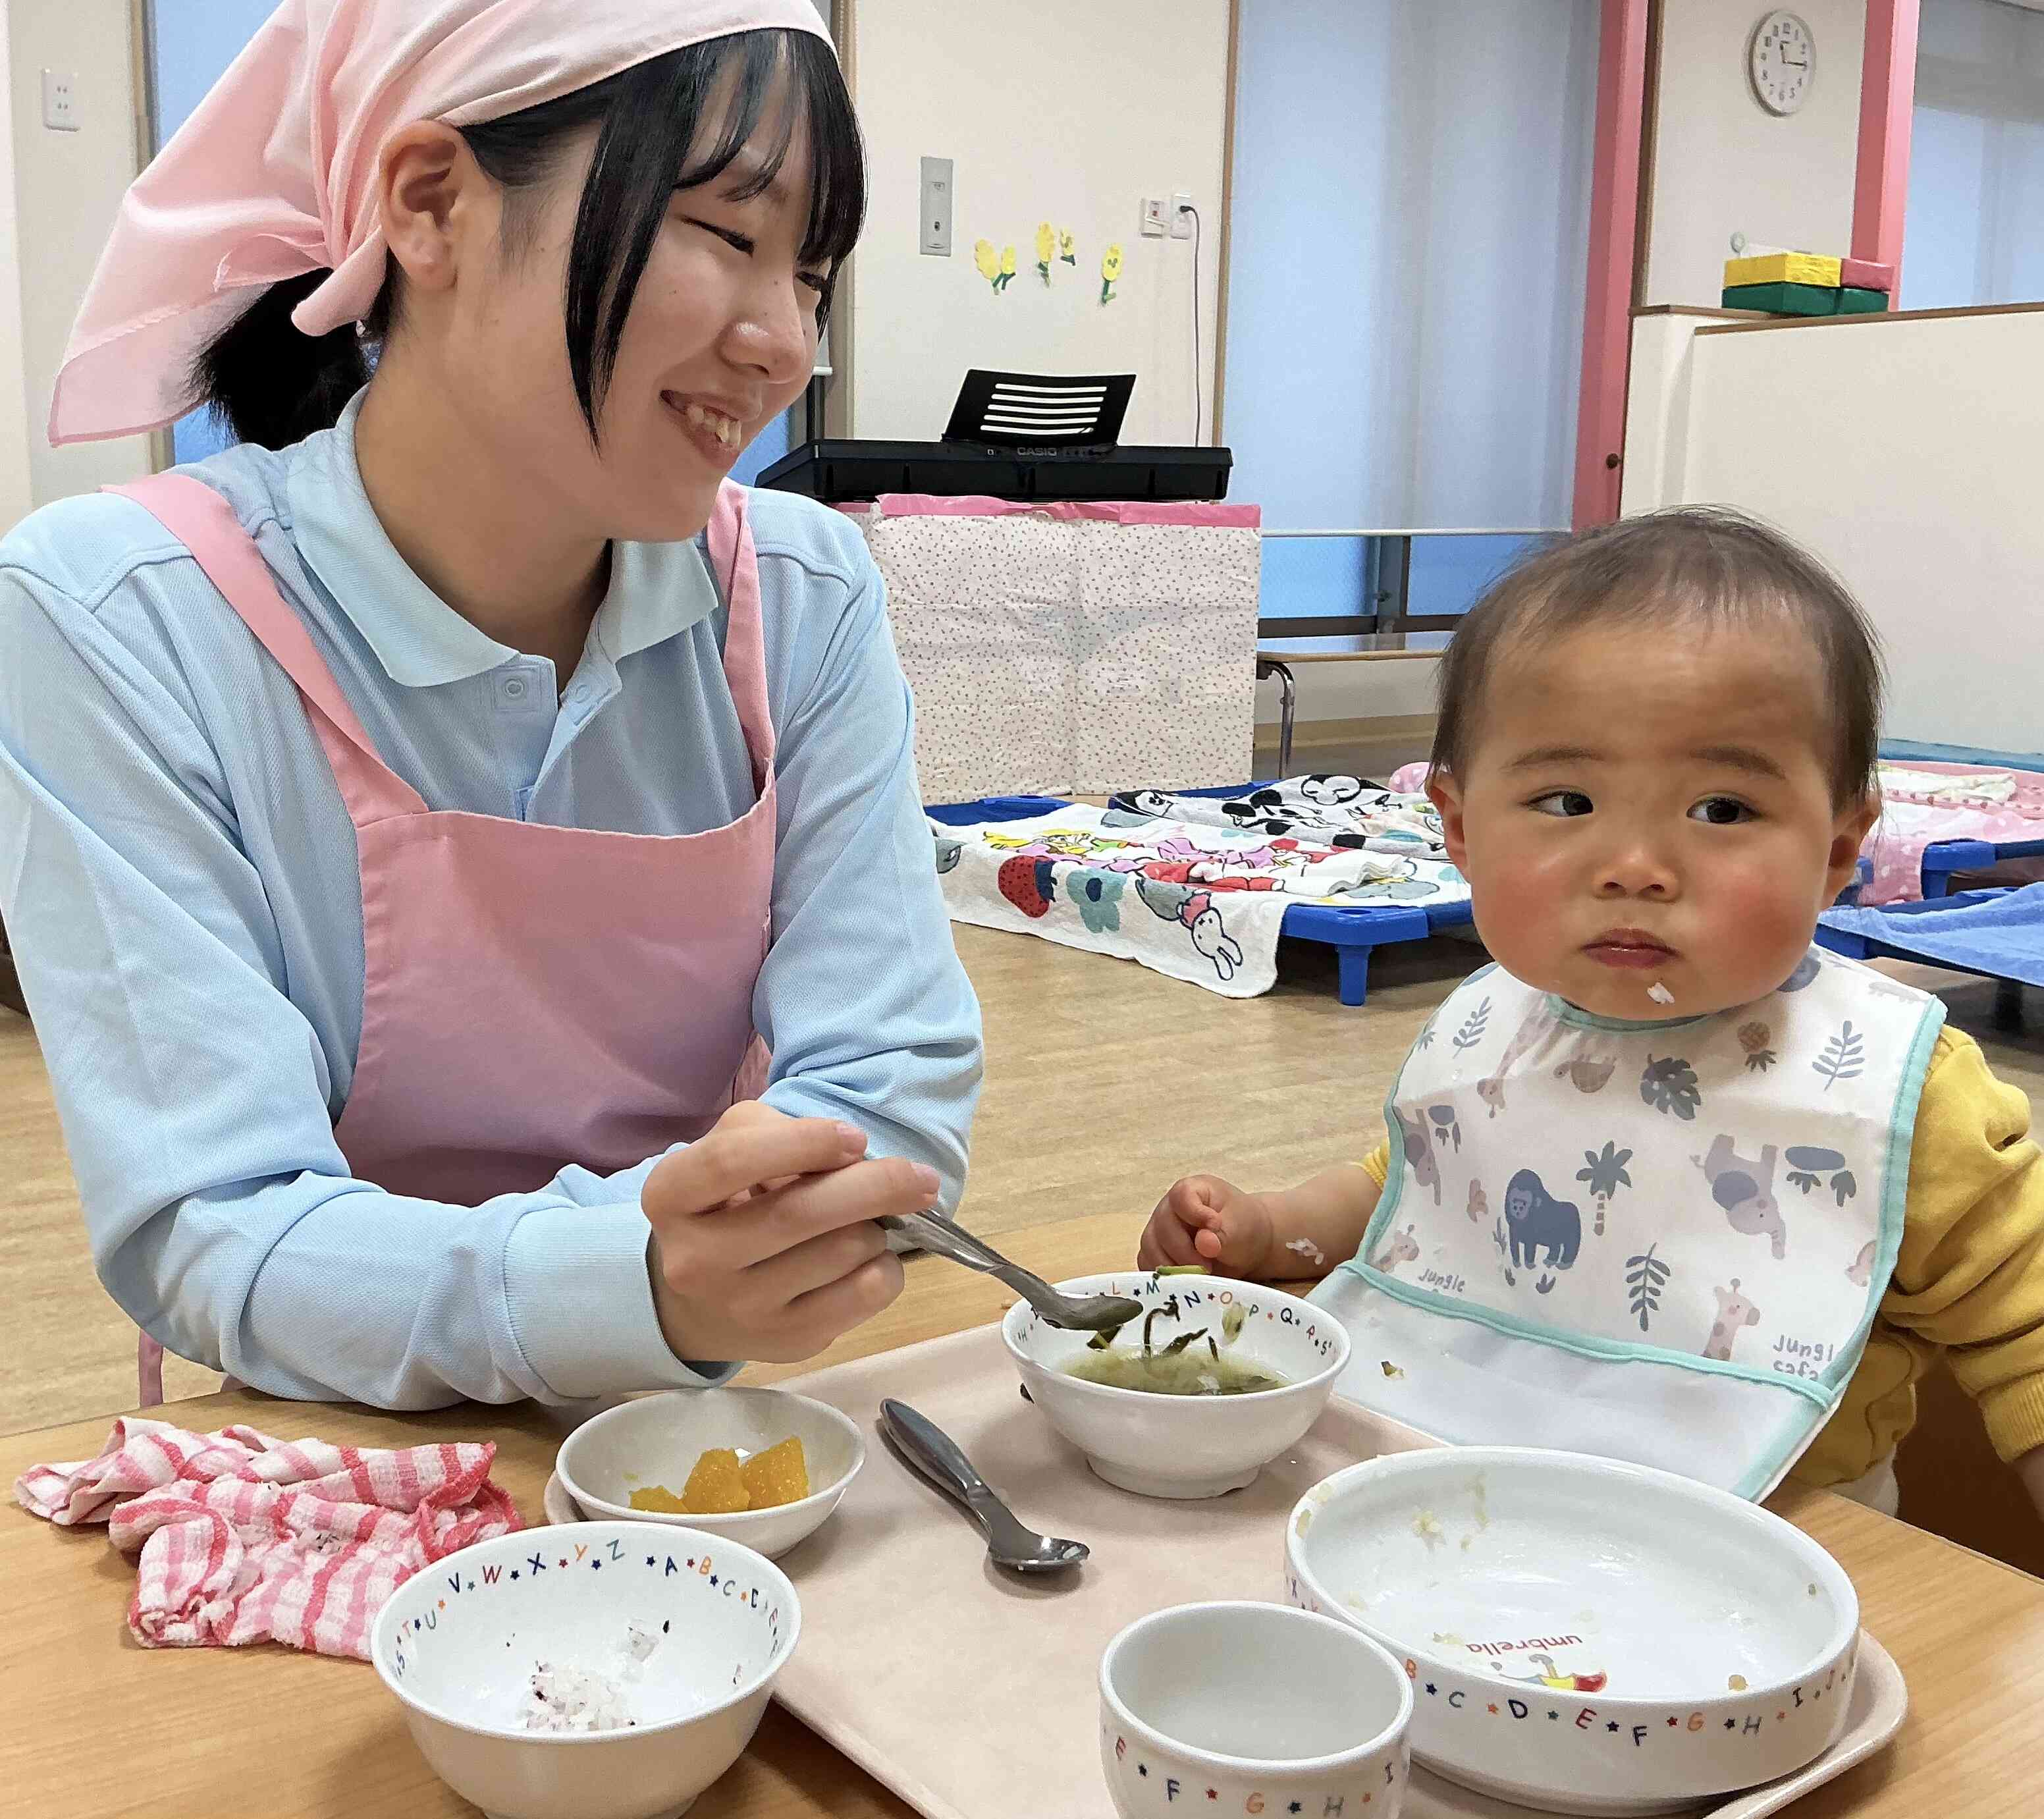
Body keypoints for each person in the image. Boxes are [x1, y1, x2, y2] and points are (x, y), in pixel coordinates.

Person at [0, 0, 981, 1409]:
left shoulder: (804, 595)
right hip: (336, 1460)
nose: (786, 344)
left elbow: (890, 1079)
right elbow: (213, 1221)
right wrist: (629, 1279)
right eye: (726, 232)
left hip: (694, 1451)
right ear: (429, 203)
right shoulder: (121, 614)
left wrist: (685, 1275)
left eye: (812, 273)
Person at [1140, 510, 2044, 1517]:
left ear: (1838, 851)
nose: (1635, 868)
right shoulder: (1491, 1027)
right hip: (1461, 1501)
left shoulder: (1896, 1088)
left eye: (1722, 809)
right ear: (1459, 830)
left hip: (1779, 1547)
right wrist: (1273, 1231)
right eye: (1568, 801)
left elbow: (2030, 1333)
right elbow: (1414, 1191)